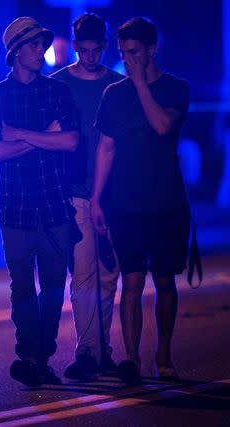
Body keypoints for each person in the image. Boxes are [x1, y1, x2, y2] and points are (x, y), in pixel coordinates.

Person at [0, 17, 79, 387]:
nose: (42, 51)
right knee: (21, 285)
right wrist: (41, 136)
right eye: (35, 45)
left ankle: (43, 355)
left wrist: (19, 133)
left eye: (43, 44)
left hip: (53, 205)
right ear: (17, 51)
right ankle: (30, 355)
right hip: (16, 208)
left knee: (53, 285)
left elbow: (69, 141)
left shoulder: (56, 92)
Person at [91, 17, 191, 385]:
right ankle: (131, 359)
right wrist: (97, 199)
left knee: (165, 282)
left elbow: (164, 125)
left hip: (167, 203)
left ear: (151, 49)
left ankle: (163, 356)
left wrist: (138, 82)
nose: (127, 58)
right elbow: (106, 146)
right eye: (123, 53)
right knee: (131, 283)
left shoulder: (175, 88)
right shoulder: (113, 95)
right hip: (126, 203)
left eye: (133, 52)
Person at [50, 13, 124, 381]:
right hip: (75, 191)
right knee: (82, 272)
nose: (92, 57)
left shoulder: (118, 84)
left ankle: (103, 350)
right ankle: (87, 352)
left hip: (112, 193)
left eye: (98, 50)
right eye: (85, 50)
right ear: (76, 46)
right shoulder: (58, 84)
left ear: (105, 47)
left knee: (108, 274)